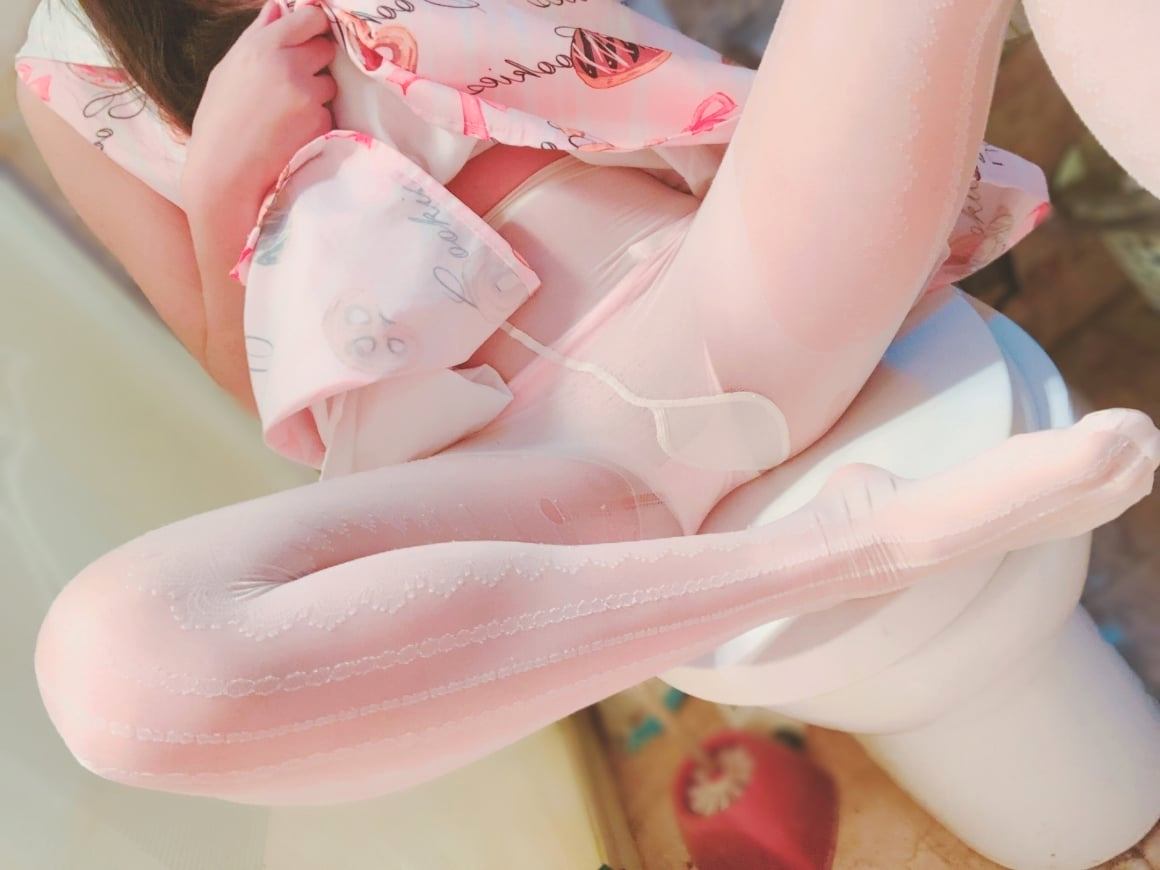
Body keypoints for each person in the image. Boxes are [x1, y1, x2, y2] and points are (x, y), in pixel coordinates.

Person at [17, 0, 1159, 805]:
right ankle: (862, 548)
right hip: (519, 483)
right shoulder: (69, 80)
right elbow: (247, 377)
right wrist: (226, 171)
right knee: (117, 673)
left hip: (732, 285)